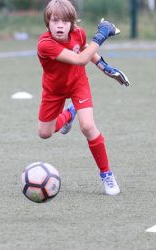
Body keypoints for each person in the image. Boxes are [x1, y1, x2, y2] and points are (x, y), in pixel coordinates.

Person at [37, 0, 129, 195]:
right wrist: (102, 34)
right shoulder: (45, 44)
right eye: (55, 21)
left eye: (64, 21)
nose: (60, 25)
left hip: (78, 85)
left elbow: (86, 49)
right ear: (48, 23)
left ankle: (107, 175)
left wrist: (105, 68)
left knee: (87, 126)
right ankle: (70, 113)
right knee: (45, 133)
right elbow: (80, 59)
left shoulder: (78, 34)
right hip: (53, 91)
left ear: (72, 23)